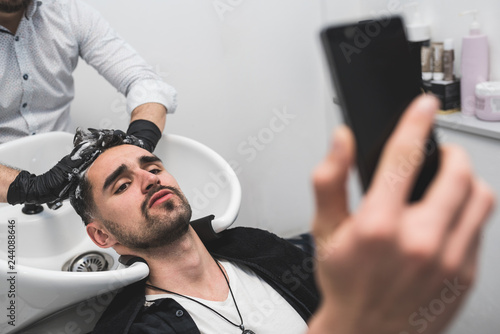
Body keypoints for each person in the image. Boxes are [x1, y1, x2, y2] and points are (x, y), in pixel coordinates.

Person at [58, 95, 493, 333]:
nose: (149, 179)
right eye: (122, 184)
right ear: (101, 236)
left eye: (152, 166)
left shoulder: (258, 248)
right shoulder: (137, 329)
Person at [0, 0, 176, 205]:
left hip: (67, 186)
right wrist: (29, 188)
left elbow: (145, 82)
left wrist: (137, 145)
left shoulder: (67, 12)